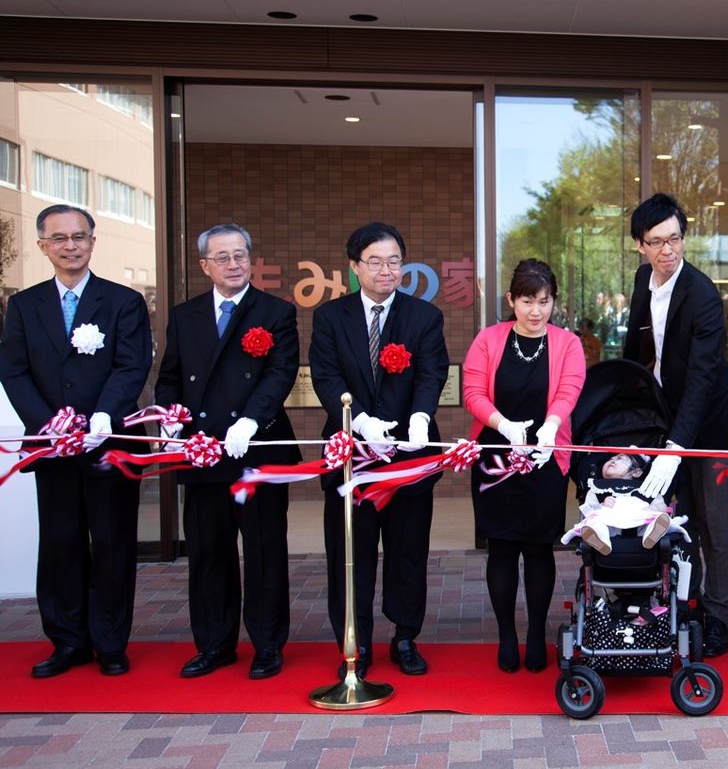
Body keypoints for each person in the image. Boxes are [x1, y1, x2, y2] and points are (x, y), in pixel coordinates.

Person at [0, 204, 152, 677]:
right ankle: (67, 641)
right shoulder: (24, 305)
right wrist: (50, 425)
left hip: (111, 444)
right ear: (43, 245)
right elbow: (14, 370)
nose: (71, 246)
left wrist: (103, 416)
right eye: (59, 238)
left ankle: (110, 641)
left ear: (92, 241)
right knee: (60, 543)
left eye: (79, 236)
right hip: (54, 448)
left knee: (112, 542)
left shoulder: (123, 301)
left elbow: (132, 364)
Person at [154, 223, 300, 680]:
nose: (234, 264)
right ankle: (214, 644)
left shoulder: (275, 311)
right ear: (205, 266)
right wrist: (170, 418)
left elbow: (280, 373)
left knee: (264, 551)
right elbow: (170, 375)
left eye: (240, 255)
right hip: (202, 452)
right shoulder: (185, 315)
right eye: (223, 257)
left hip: (257, 450)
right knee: (208, 552)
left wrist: (251, 419)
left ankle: (267, 644)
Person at [309, 222, 449, 679]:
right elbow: (326, 377)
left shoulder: (423, 316)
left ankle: (405, 636)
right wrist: (360, 421)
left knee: (408, 552)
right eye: (375, 262)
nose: (386, 270)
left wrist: (420, 417)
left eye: (394, 262)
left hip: (408, 457)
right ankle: (357, 641)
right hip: (352, 458)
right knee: (351, 555)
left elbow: (431, 372)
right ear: (355, 266)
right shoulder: (331, 317)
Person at [622, 192, 728, 658]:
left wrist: (676, 447)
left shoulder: (703, 294)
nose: (668, 250)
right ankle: (686, 603)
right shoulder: (642, 280)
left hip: (708, 422)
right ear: (640, 245)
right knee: (677, 516)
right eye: (657, 242)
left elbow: (701, 379)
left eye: (675, 239)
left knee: (713, 520)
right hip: (667, 416)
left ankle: (719, 612)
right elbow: (637, 349)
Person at [462, 258, 585, 673]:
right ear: (511, 300)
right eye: (528, 301)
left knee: (538, 549)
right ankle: (506, 635)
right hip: (495, 457)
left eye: (544, 301)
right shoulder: (488, 339)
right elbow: (473, 392)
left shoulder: (568, 344)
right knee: (501, 548)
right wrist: (503, 425)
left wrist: (550, 427)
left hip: (545, 458)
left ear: (554, 302)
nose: (536, 311)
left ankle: (535, 634)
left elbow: (569, 390)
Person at [560, 452, 687, 555]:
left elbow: (660, 504)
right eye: (610, 459)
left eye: (620, 458)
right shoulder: (597, 488)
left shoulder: (646, 488)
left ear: (636, 472)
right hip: (610, 523)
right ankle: (600, 539)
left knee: (655, 519)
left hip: (641, 520)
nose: (612, 460)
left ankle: (652, 534)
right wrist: (601, 505)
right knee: (596, 522)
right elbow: (589, 509)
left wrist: (654, 508)